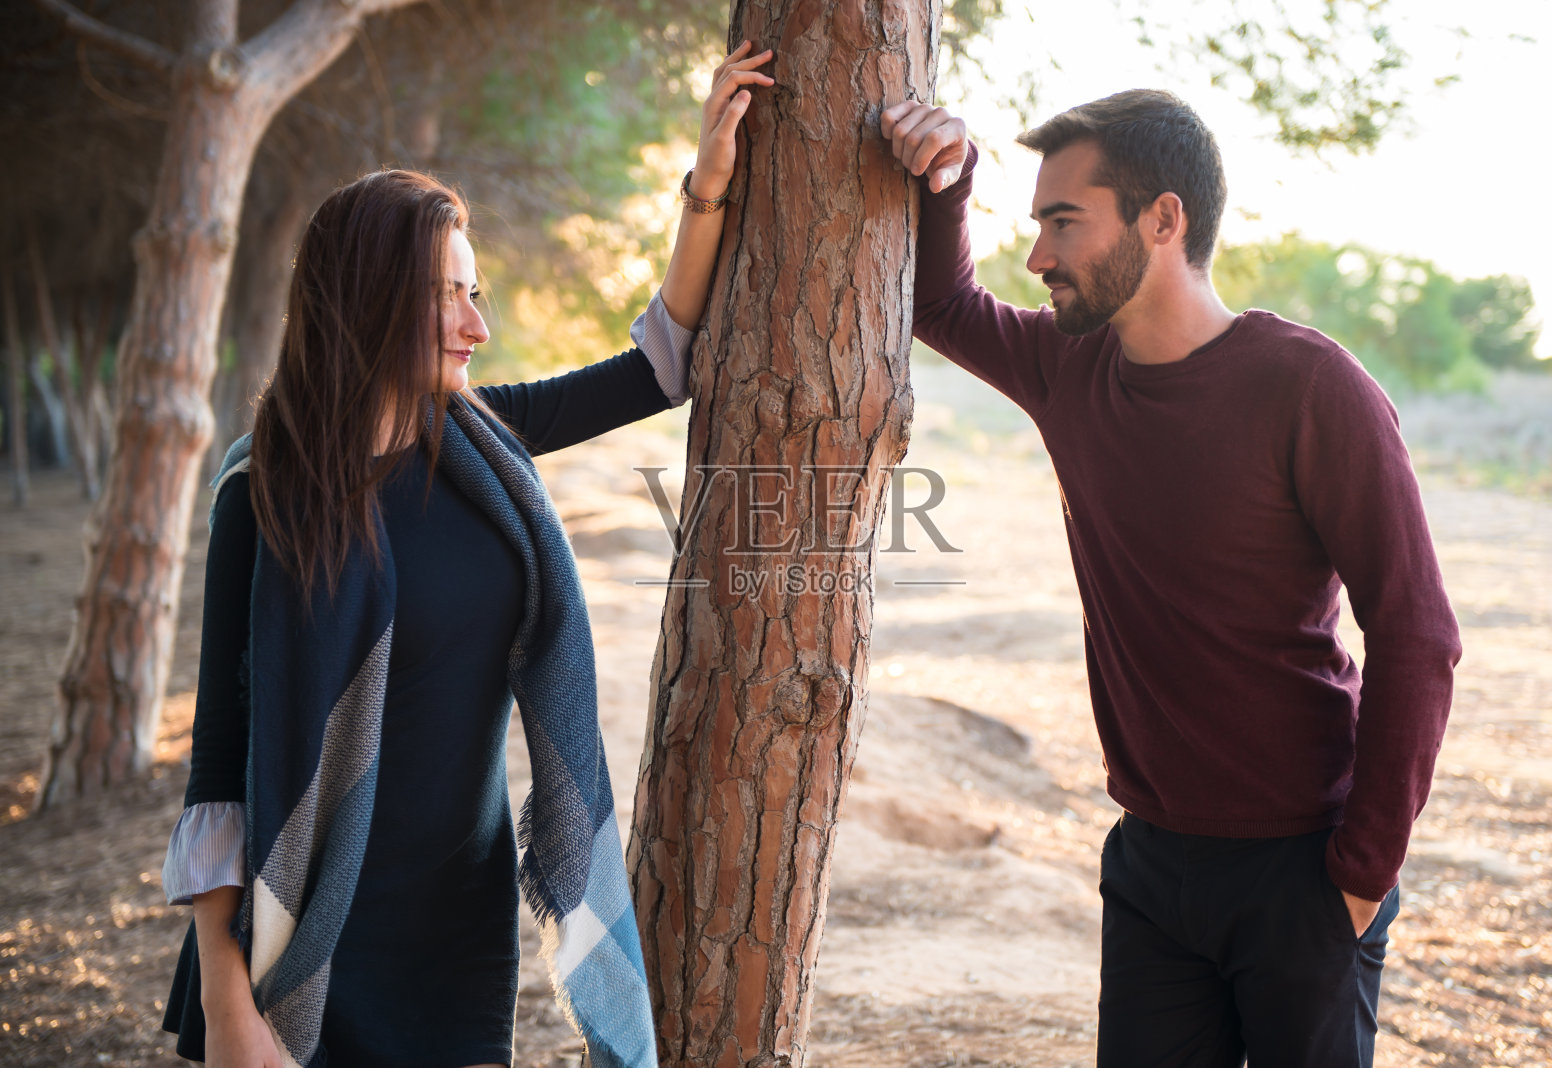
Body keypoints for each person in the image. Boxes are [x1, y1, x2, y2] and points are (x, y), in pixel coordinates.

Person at [158, 43, 775, 1068]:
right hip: (298, 922)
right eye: (449, 293)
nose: (477, 326)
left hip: (455, 921)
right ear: (366, 293)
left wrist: (706, 185)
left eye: (476, 292)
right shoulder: (258, 486)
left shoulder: (482, 440)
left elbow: (664, 359)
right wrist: (228, 1003)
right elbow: (220, 758)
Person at [879, 91, 1462, 1066]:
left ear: (1162, 219)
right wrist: (947, 181)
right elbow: (939, 303)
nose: (1037, 258)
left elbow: (1415, 634)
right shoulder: (1067, 369)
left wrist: (1359, 872)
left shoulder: (1309, 388)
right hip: (1150, 865)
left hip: (1301, 870)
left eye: (1063, 222)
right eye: (1036, 226)